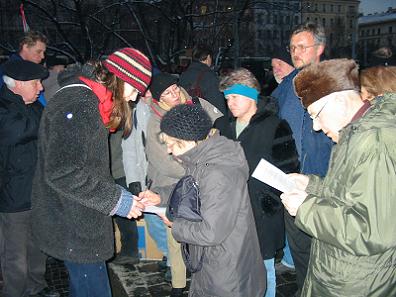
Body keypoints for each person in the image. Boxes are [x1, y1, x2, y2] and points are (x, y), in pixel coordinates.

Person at [30, 48, 152, 297]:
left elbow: (83, 166)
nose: (133, 99)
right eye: (134, 89)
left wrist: (120, 194)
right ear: (122, 79)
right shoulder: (81, 103)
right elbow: (63, 171)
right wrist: (116, 200)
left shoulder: (83, 97)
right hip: (75, 227)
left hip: (75, 221)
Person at [281, 58, 396, 296]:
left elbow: (372, 232)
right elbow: (350, 196)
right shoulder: (354, 133)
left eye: (316, 114)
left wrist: (305, 208)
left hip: (357, 282)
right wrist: (312, 185)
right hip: (342, 271)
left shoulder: (372, 142)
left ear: (339, 100)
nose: (314, 126)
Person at [153, 104, 266, 297]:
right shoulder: (202, 159)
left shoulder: (218, 172)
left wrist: (175, 224)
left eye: (173, 144)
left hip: (227, 275)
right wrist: (160, 195)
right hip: (213, 264)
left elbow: (210, 233)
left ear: (189, 140)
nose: (169, 151)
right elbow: (192, 190)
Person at [214, 68, 299, 297]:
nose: (229, 103)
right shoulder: (222, 126)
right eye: (227, 98)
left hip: (260, 211)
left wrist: (269, 199)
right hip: (229, 211)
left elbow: (290, 171)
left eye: (234, 97)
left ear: (251, 94)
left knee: (263, 270)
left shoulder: (275, 126)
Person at [143, 72, 221, 297]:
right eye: (167, 93)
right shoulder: (156, 121)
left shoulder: (196, 104)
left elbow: (218, 128)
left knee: (203, 231)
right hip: (173, 183)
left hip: (203, 179)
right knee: (176, 237)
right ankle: (178, 285)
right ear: (159, 99)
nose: (174, 93)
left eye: (175, 87)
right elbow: (165, 162)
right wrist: (199, 168)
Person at [271, 22, 334, 294]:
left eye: (302, 46)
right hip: (290, 179)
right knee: (297, 244)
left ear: (319, 49)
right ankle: (304, 287)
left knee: (323, 246)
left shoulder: (334, 83)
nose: (295, 52)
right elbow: (270, 118)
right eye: (292, 47)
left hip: (322, 179)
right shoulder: (286, 85)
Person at [0, 60, 59, 297]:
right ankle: (14, 292)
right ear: (17, 84)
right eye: (35, 83)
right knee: (15, 256)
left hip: (37, 192)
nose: (41, 88)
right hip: (12, 197)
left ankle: (36, 288)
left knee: (37, 247)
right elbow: (18, 131)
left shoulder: (34, 107)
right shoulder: (3, 108)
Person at [121, 89, 170, 267]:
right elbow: (129, 148)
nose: (146, 93)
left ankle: (176, 263)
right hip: (147, 179)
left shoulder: (168, 109)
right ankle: (168, 254)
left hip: (170, 177)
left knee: (175, 220)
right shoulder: (134, 111)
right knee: (153, 222)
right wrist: (134, 181)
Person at [109, 129, 139, 265]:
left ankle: (130, 252)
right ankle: (127, 251)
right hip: (114, 172)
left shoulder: (117, 120)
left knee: (125, 217)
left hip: (118, 172)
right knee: (122, 217)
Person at [0, 31, 48, 107]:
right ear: (25, 47)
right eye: (38, 52)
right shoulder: (8, 72)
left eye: (43, 52)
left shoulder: (32, 71)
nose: (42, 56)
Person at [179, 44, 227, 115]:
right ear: (208, 57)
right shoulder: (209, 76)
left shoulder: (184, 75)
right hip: (205, 119)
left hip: (188, 117)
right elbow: (218, 107)